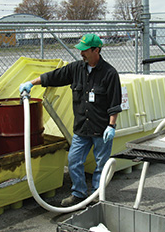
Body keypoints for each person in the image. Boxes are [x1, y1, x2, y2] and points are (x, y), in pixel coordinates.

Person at [19, 33, 122, 207]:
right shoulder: (76, 69)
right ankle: (79, 194)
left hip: (101, 129)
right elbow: (53, 76)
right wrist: (31, 82)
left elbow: (114, 103)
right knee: (74, 161)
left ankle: (98, 196)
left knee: (101, 165)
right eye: (80, 50)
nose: (81, 53)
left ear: (96, 50)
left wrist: (111, 126)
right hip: (82, 128)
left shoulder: (109, 74)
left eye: (85, 50)